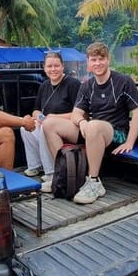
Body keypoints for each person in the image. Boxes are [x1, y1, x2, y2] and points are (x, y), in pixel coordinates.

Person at [43, 42, 138, 204]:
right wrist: (82, 122)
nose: (97, 63)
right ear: (88, 63)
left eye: (101, 59)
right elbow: (76, 113)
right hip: (91, 131)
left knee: (94, 125)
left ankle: (94, 182)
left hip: (116, 134)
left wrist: (130, 141)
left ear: (108, 59)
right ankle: (66, 174)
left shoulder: (123, 81)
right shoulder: (87, 86)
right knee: (50, 124)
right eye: (93, 60)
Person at [21, 51, 81, 193]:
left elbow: (79, 113)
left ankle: (52, 173)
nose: (53, 69)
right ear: (44, 68)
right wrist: (40, 118)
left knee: (46, 127)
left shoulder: (73, 84)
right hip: (47, 123)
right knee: (26, 128)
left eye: (56, 66)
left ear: (62, 66)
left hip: (68, 127)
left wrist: (53, 118)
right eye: (49, 66)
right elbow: (36, 110)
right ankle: (36, 166)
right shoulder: (44, 86)